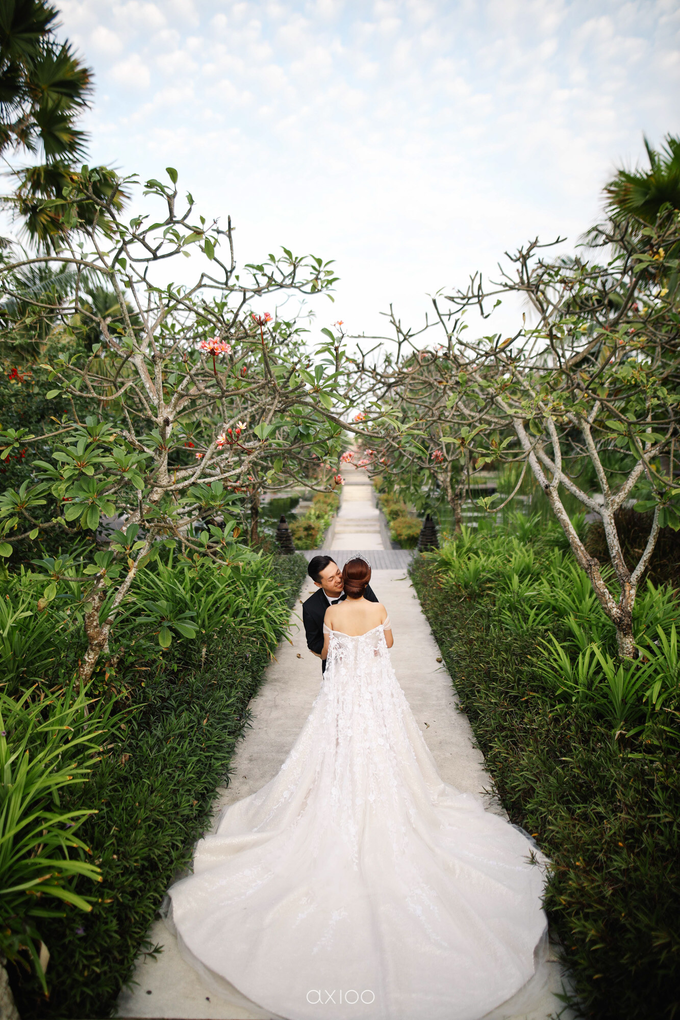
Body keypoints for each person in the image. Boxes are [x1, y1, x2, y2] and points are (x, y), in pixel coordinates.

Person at [162, 556, 549, 1020]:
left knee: (337, 746)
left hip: (343, 694)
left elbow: (325, 654)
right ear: (368, 582)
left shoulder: (330, 613)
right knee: (386, 748)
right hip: (375, 693)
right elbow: (385, 645)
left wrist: (343, 645)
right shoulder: (378, 610)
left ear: (343, 582)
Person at [302, 554, 379, 670]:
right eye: (331, 579)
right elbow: (314, 643)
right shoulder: (310, 607)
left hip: (368, 662)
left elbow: (377, 618)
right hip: (336, 668)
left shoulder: (360, 586)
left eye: (338, 573)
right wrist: (341, 646)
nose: (339, 580)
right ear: (318, 584)